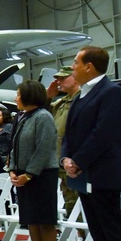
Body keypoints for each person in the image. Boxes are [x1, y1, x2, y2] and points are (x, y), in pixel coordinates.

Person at [62, 46, 121, 241]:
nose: (73, 67)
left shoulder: (110, 93)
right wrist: (67, 158)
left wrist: (78, 160)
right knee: (97, 227)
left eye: (76, 62)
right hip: (83, 173)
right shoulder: (82, 95)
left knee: (113, 227)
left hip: (103, 172)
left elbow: (104, 133)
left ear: (89, 66)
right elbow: (70, 132)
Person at [7, 79, 60, 241]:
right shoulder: (23, 117)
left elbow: (44, 148)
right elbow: (14, 146)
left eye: (18, 94)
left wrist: (29, 174)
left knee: (45, 221)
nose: (15, 98)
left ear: (29, 96)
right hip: (22, 175)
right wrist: (12, 169)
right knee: (31, 221)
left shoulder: (43, 117)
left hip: (41, 175)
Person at [48, 66, 80, 214]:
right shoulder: (60, 103)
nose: (58, 81)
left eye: (62, 78)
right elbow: (41, 114)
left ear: (75, 78)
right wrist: (48, 96)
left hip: (76, 161)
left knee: (80, 202)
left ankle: (86, 236)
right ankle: (79, 237)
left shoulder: (82, 99)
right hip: (61, 160)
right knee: (70, 201)